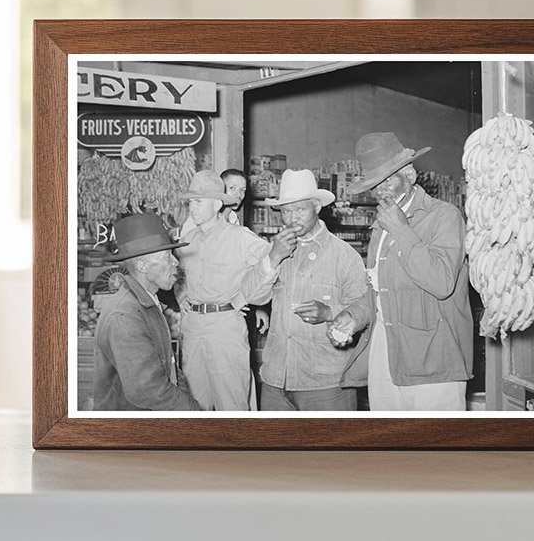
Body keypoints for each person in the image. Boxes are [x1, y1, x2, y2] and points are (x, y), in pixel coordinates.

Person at [334, 132, 474, 411]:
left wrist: (401, 230)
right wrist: (353, 317)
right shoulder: (380, 227)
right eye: (375, 184)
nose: (381, 191)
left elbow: (441, 281)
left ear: (410, 175)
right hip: (386, 354)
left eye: (388, 180)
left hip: (433, 360)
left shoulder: (443, 216)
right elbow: (377, 290)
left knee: (437, 450)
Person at [253, 169, 371, 412]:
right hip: (276, 380)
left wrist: (329, 312)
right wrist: (273, 258)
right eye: (286, 211)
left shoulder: (344, 255)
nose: (292, 218)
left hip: (325, 385)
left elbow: (366, 307)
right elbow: (254, 296)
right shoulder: (274, 250)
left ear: (317, 206)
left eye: (300, 210)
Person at [178, 170, 289, 410]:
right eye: (190, 202)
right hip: (193, 328)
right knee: (194, 405)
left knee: (232, 404)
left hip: (224, 328)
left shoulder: (240, 238)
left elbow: (272, 262)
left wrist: (247, 297)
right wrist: (181, 298)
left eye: (198, 202)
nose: (192, 208)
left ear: (217, 204)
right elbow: (179, 276)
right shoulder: (187, 240)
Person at [91, 213, 202, 411]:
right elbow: (147, 390)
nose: (176, 263)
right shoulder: (125, 315)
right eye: (167, 257)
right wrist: (193, 411)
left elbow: (168, 364)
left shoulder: (146, 301)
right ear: (143, 266)